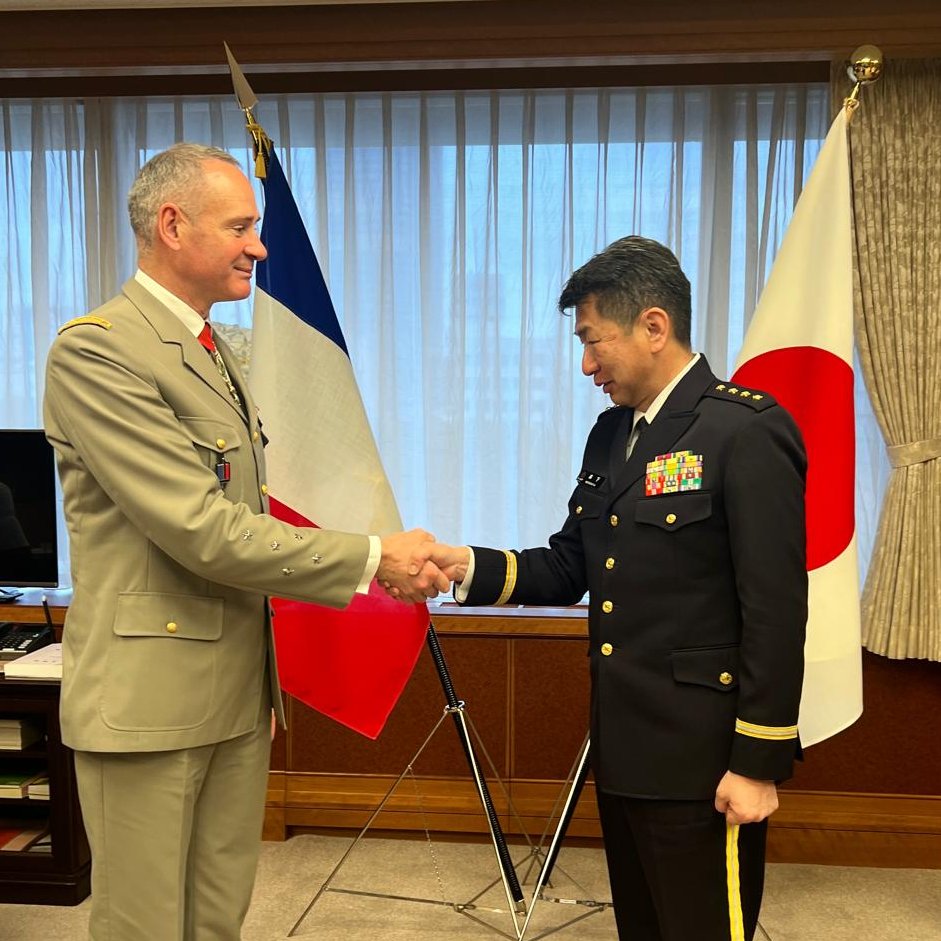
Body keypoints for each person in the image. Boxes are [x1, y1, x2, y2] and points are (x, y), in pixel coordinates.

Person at [42, 143, 448, 941]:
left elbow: (247, 504)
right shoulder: (97, 351)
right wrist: (373, 557)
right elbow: (199, 527)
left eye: (257, 228)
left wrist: (253, 679)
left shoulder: (219, 351)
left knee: (216, 920)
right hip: (148, 700)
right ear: (171, 225)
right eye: (240, 227)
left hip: (231, 690)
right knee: (143, 926)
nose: (258, 247)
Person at [409, 236, 807, 941]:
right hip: (624, 749)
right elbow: (571, 565)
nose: (586, 363)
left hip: (704, 761)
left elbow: (775, 610)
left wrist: (757, 762)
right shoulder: (611, 435)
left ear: (654, 327)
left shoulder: (743, 430)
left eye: (595, 340)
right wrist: (461, 562)